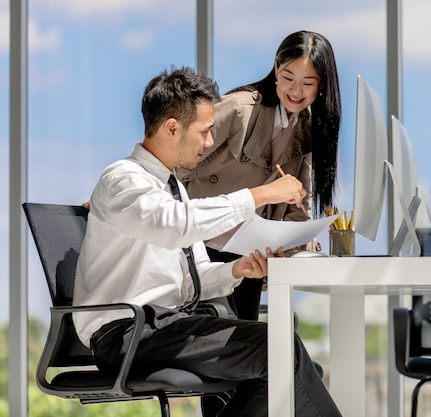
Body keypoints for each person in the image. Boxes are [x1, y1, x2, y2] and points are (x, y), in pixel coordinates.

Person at [72, 66, 342, 417]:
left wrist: (237, 269)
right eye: (204, 131)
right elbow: (175, 226)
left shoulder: (173, 188)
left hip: (164, 326)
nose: (210, 142)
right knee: (278, 350)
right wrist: (260, 194)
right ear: (172, 128)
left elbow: (194, 276)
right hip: (128, 333)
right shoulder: (124, 179)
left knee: (278, 355)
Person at [178, 30, 342, 320]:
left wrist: (301, 245)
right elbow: (176, 154)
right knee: (218, 345)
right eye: (288, 77)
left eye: (307, 83)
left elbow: (297, 206)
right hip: (201, 249)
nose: (295, 90)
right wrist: (132, 188)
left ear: (322, 86)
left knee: (245, 345)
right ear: (276, 67)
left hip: (249, 256)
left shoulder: (306, 128)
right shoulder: (240, 108)